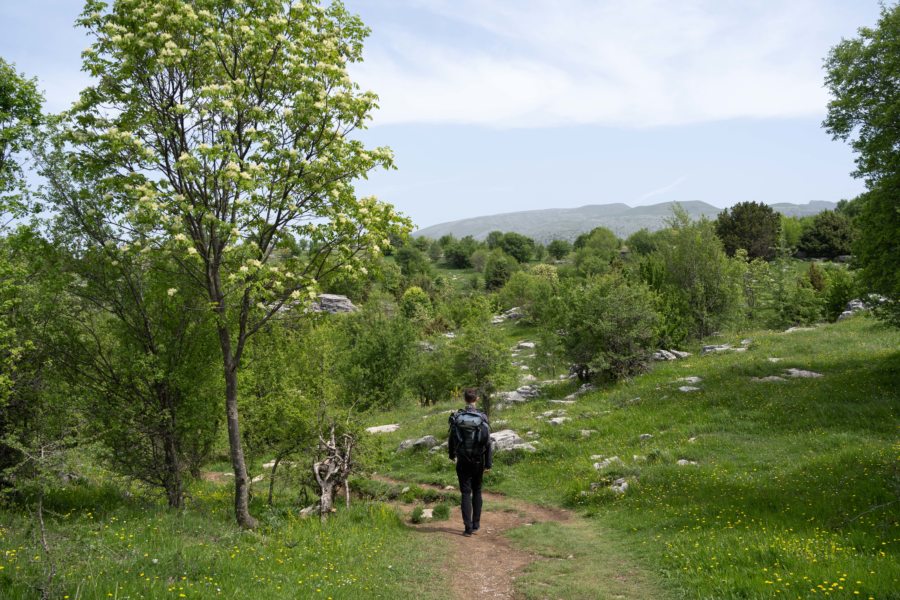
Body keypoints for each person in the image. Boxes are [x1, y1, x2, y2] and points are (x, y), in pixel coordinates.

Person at [448, 388, 493, 537]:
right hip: (478, 460)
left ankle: (467, 529)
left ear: (464, 399)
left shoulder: (457, 417)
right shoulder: (482, 417)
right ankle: (476, 525)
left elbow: (451, 439)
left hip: (462, 461)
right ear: (477, 399)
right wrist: (488, 463)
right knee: (477, 490)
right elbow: (487, 443)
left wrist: (452, 455)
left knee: (465, 493)